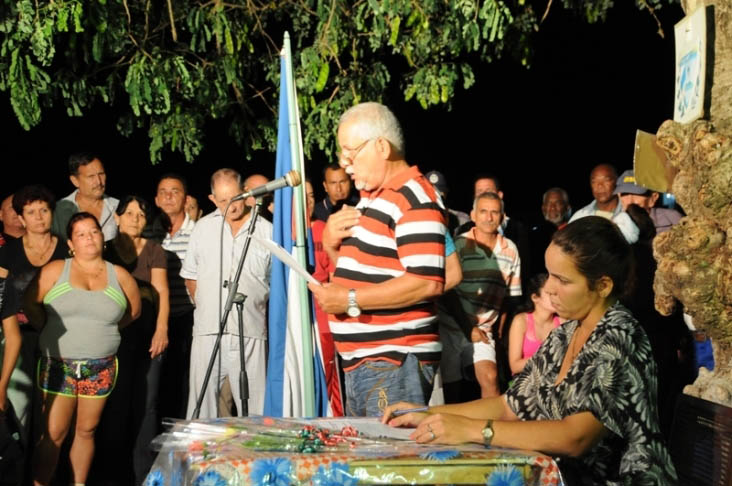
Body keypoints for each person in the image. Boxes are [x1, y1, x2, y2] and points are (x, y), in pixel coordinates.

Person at [383, 216, 678, 485]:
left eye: (562, 280)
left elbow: (575, 437)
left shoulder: (619, 336)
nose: (549, 289)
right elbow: (509, 406)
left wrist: (474, 431)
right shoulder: (564, 335)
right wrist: (427, 414)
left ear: (602, 286)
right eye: (549, 275)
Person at [309, 102, 446, 417]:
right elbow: (368, 272)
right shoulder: (375, 199)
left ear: (382, 147)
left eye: (351, 153)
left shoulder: (412, 196)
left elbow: (426, 282)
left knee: (386, 462)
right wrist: (331, 246)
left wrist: (350, 299)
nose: (346, 164)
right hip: (369, 361)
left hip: (393, 360)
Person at [24, 212, 140, 486]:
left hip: (99, 366)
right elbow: (31, 305)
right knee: (54, 432)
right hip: (59, 364)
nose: (89, 238)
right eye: (81, 234)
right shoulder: (55, 270)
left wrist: (104, 332)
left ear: (103, 236)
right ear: (71, 243)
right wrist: (48, 330)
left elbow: (133, 313)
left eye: (94, 231)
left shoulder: (119, 275)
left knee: (87, 430)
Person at [181, 168, 272, 418]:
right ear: (212, 199)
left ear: (245, 192)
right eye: (223, 200)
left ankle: (255, 454)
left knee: (255, 405)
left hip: (251, 329)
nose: (230, 206)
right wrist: (208, 305)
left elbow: (276, 283)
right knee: (203, 404)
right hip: (208, 329)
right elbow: (191, 276)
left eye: (235, 197)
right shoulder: (202, 228)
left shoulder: (265, 230)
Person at [100, 196, 169, 484]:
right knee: (116, 402)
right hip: (114, 338)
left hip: (149, 336)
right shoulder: (104, 251)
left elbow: (161, 292)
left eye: (141, 215)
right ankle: (114, 472)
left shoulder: (154, 251)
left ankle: (146, 473)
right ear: (116, 217)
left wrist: (162, 329)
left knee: (147, 404)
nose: (135, 219)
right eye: (129, 213)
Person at [0, 185, 69, 453]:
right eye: (31, 212)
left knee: (54, 413)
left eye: (44, 210)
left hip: (60, 339)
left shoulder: (66, 249)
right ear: (21, 217)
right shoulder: (7, 253)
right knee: (21, 408)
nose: (39, 217)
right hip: (18, 338)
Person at [451, 192, 521, 398]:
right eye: (483, 211)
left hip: (482, 330)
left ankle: (491, 430)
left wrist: (498, 336)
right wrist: (467, 327)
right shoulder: (459, 245)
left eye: (494, 212)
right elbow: (447, 294)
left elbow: (510, 298)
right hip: (451, 327)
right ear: (473, 214)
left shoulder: (511, 250)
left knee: (490, 379)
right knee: (450, 393)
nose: (489, 217)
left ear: (502, 216)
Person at [151, 174, 196, 419]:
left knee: (184, 380)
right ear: (157, 199)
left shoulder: (199, 232)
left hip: (188, 316)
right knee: (158, 384)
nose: (169, 196)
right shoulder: (147, 232)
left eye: (175, 191)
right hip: (156, 319)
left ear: (186, 198)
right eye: (163, 191)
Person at [52, 152, 119, 241]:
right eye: (91, 176)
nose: (99, 182)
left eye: (101, 174)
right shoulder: (59, 211)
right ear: (75, 180)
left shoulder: (118, 207)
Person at [568, 164, 638, 243]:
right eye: (594, 181)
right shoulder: (580, 216)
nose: (600, 186)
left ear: (617, 181)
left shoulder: (630, 214)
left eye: (606, 180)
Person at [507, 273, 560, 375]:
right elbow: (514, 366)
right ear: (535, 298)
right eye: (550, 294)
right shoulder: (521, 321)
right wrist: (547, 358)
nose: (556, 297)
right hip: (527, 381)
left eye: (557, 293)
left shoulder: (562, 322)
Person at [614, 169, 683, 234]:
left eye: (637, 194)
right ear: (619, 196)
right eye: (625, 194)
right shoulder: (614, 225)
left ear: (653, 198)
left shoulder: (672, 219)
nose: (630, 201)